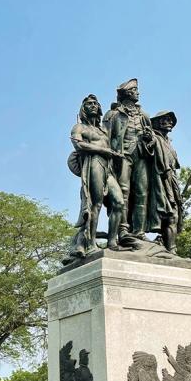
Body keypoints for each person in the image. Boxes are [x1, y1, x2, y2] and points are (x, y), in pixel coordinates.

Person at [66, 94, 125, 260]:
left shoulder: (103, 130)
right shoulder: (79, 128)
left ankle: (112, 241)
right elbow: (78, 144)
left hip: (108, 168)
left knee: (119, 202)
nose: (93, 105)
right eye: (89, 104)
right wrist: (103, 151)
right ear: (84, 109)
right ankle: (90, 244)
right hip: (94, 163)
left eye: (95, 103)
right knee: (95, 203)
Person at [102, 79, 157, 247]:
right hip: (121, 156)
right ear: (127, 93)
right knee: (123, 192)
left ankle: (139, 231)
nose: (138, 93)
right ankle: (123, 229)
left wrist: (150, 139)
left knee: (142, 193)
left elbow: (153, 138)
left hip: (141, 156)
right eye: (135, 90)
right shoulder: (113, 114)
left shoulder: (144, 116)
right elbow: (104, 136)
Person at [150, 110, 183, 254]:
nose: (169, 122)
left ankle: (171, 248)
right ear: (157, 122)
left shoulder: (169, 142)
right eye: (165, 119)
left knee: (175, 215)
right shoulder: (153, 137)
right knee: (170, 215)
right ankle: (171, 249)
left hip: (171, 180)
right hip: (158, 180)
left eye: (171, 120)